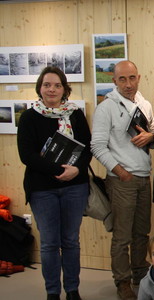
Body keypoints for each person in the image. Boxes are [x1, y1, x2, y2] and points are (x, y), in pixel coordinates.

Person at [17, 66, 92, 300]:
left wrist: (76, 170)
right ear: (40, 87)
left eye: (57, 85)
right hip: (42, 190)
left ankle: (72, 290)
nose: (52, 89)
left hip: (74, 187)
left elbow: (87, 147)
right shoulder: (30, 116)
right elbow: (26, 155)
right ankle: (52, 292)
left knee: (71, 241)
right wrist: (61, 170)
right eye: (47, 85)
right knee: (49, 243)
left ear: (64, 88)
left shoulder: (75, 114)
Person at [91, 60, 154, 300]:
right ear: (114, 81)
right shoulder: (106, 108)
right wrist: (119, 172)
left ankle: (140, 275)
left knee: (142, 232)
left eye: (132, 78)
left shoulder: (145, 104)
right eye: (122, 79)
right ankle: (122, 282)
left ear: (139, 77)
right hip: (122, 180)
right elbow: (97, 147)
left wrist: (151, 138)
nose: (128, 84)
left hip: (143, 177)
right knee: (122, 236)